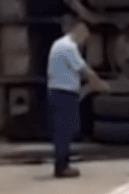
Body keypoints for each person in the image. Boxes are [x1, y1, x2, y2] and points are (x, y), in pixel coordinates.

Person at [47, 19, 110, 178]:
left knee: (65, 129)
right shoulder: (69, 47)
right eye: (85, 36)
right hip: (64, 93)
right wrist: (101, 84)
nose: (85, 40)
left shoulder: (58, 44)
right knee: (65, 130)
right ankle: (61, 166)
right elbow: (85, 70)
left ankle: (63, 163)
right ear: (79, 30)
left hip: (60, 91)